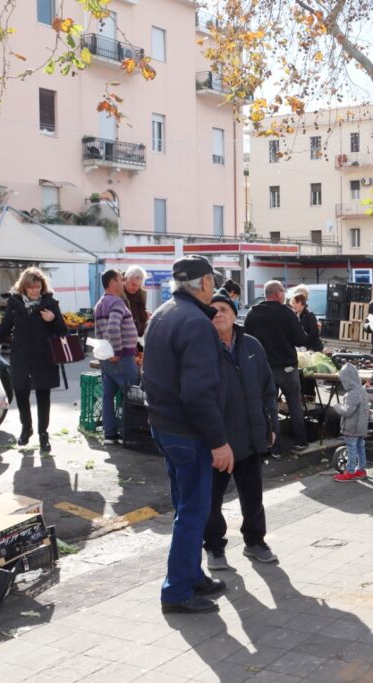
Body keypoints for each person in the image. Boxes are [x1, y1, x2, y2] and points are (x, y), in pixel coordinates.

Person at [143, 255, 232, 614]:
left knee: (187, 507)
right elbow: (197, 393)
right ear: (205, 283)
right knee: (192, 512)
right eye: (213, 281)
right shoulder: (194, 322)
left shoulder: (165, 311)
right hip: (187, 431)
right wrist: (218, 441)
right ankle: (178, 590)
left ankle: (191, 576)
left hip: (167, 425)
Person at [204, 293, 280, 571]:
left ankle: (255, 542)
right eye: (212, 311)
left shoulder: (252, 346)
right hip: (218, 440)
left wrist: (272, 425)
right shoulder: (203, 349)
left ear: (235, 315)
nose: (218, 314)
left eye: (224, 309)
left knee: (253, 495)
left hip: (250, 436)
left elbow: (268, 389)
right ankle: (213, 546)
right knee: (211, 499)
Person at [0, 267, 68, 451]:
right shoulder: (15, 304)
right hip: (21, 356)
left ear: (42, 286)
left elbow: (63, 331)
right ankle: (26, 429)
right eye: (31, 288)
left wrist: (53, 318)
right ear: (24, 287)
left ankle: (43, 434)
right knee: (21, 393)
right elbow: (3, 329)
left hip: (43, 356)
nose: (35, 291)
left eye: (38, 287)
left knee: (43, 395)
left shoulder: (50, 303)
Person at [244, 280, 309, 454]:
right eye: (283, 292)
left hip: (264, 369)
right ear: (278, 293)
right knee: (294, 404)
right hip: (287, 368)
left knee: (269, 407)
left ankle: (275, 447)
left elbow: (245, 339)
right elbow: (300, 340)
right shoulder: (287, 313)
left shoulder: (253, 312)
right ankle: (300, 441)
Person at [94, 269, 140, 445]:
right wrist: (118, 352)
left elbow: (100, 332)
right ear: (112, 282)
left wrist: (105, 354)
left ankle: (110, 435)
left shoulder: (100, 303)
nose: (124, 283)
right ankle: (131, 434)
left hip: (107, 358)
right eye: (121, 280)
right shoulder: (117, 303)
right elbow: (113, 327)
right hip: (121, 359)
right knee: (132, 395)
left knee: (108, 396)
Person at [332, 363, 370, 481]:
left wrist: (337, 407)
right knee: (360, 448)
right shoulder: (362, 390)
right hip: (361, 427)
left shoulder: (352, 393)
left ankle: (350, 472)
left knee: (351, 449)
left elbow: (347, 411)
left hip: (352, 427)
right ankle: (361, 470)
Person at [122, 265, 150, 338]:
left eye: (139, 285)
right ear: (126, 279)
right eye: (133, 284)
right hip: (126, 338)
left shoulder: (141, 293)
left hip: (140, 337)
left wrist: (145, 312)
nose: (135, 288)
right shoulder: (118, 294)